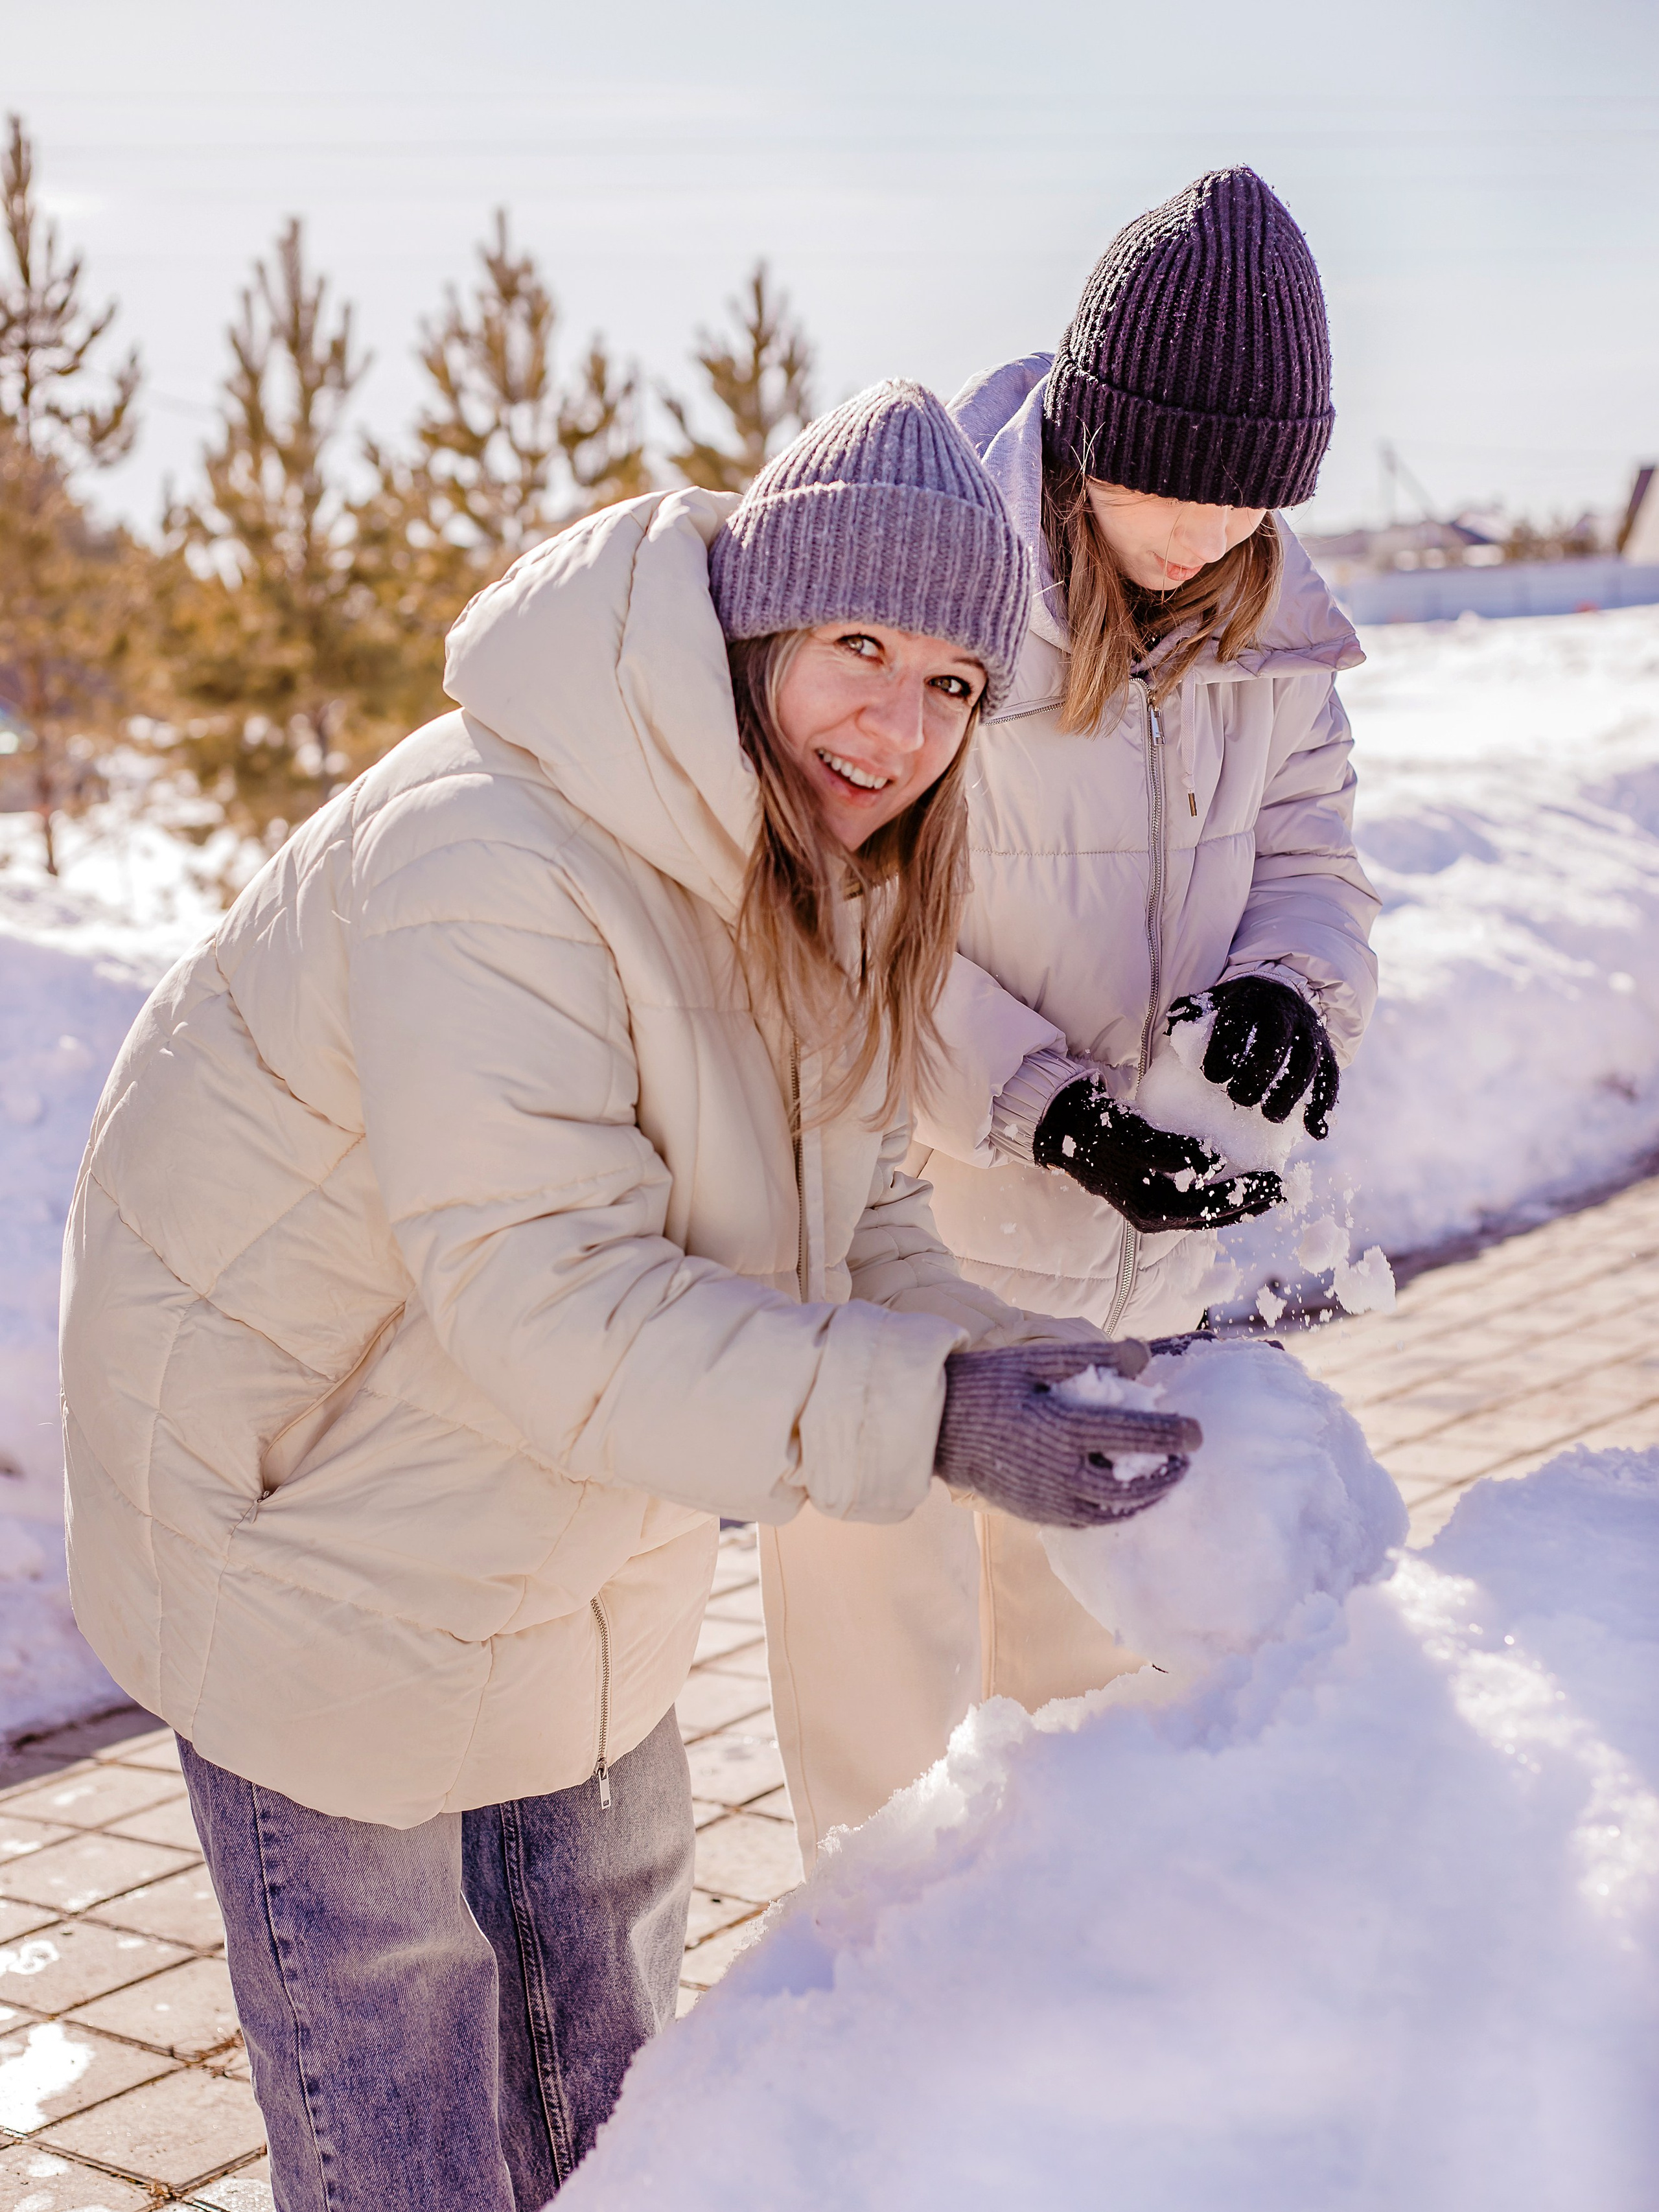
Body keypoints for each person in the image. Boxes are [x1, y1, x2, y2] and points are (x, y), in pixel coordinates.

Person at [59, 381, 1200, 2211]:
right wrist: (926, 1420)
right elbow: (549, 1304)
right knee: (411, 2127)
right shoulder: (493, 860)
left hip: (562, 1517)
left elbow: (864, 1203)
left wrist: (1011, 1370)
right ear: (757, 621)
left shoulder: (816, 862)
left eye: (951, 685)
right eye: (857, 647)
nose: (897, 725)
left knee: (626, 2111)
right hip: (307, 1522)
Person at [763, 170, 1380, 1862]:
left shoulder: (1277, 631)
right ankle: (850, 2092)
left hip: (1131, 1281)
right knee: (886, 1750)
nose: (1196, 532)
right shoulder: (935, 582)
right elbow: (839, 893)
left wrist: (1289, 995)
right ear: (1085, 426)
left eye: (1244, 501)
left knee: (1087, 1744)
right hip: (902, 1258)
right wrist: (1048, 1107)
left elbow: (1317, 862)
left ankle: (1051, 2102)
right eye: (1163, 482)